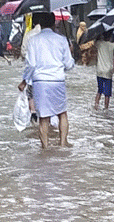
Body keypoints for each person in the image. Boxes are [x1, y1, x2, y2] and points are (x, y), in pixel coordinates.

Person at [18, 11, 75, 148]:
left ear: (39, 24)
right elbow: (69, 64)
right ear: (54, 23)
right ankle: (63, 143)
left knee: (43, 117)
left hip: (40, 82)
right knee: (62, 113)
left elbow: (31, 64)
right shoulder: (62, 40)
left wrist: (24, 81)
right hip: (57, 81)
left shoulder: (33, 40)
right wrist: (70, 54)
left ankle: (45, 147)